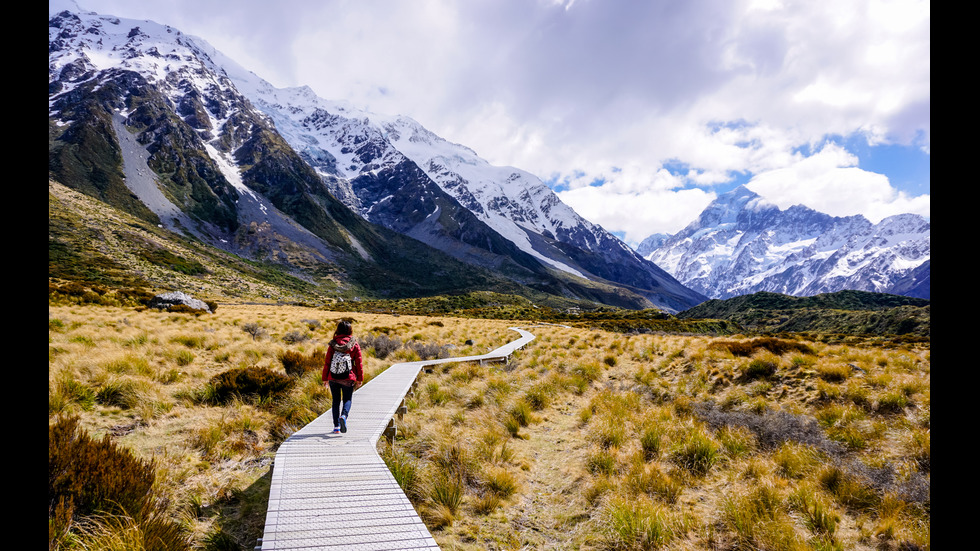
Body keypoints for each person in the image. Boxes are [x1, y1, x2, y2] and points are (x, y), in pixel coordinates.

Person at [321, 321, 363, 434]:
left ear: (338, 330)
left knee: (335, 401)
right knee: (347, 399)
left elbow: (327, 362)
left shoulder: (333, 344)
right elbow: (358, 363)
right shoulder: (354, 344)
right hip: (348, 378)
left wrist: (325, 378)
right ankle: (344, 416)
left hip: (333, 377)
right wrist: (360, 378)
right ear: (350, 330)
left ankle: (336, 427)